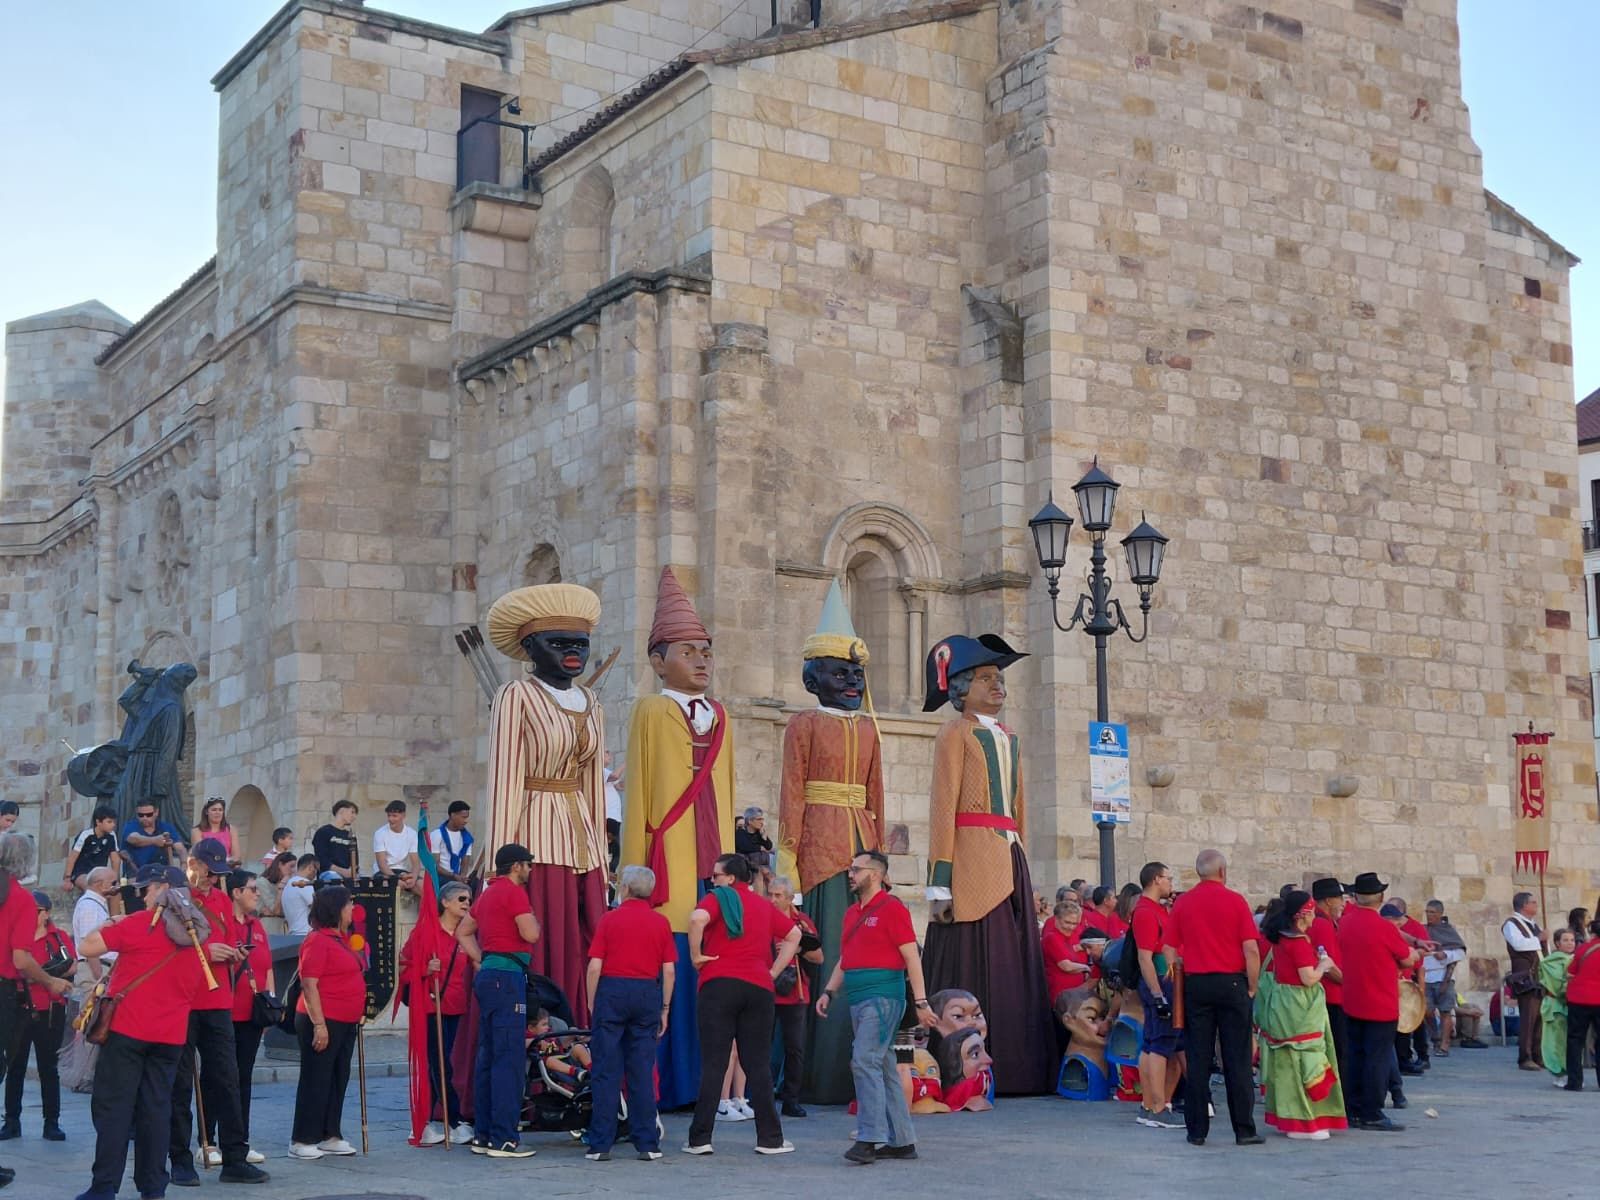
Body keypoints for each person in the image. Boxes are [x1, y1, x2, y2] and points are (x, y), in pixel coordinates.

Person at [621, 567, 737, 1108]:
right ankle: (665, 1086)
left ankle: (709, 1086)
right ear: (658, 660)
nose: (701, 661)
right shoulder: (650, 709)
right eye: (688, 651)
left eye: (706, 652)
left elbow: (728, 789)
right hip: (668, 854)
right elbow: (641, 794)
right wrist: (634, 871)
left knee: (711, 966)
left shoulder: (720, 716)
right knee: (668, 968)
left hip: (712, 853)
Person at [920, 634, 1052, 1095]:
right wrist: (940, 878)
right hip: (971, 850)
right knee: (980, 944)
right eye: (985, 678)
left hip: (1008, 849)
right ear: (960, 688)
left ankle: (1018, 1064)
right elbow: (943, 805)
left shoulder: (1009, 736)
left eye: (999, 679)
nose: (997, 686)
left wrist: (1023, 856)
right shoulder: (954, 733)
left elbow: (1019, 805)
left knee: (1015, 953)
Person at [776, 581, 886, 1105]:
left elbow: (877, 795)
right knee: (827, 954)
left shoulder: (870, 729)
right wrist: (789, 860)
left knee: (863, 953)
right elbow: (791, 792)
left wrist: (880, 857)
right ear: (811, 677)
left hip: (859, 843)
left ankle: (853, 1070)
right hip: (818, 852)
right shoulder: (801, 725)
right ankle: (812, 1074)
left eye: (856, 674)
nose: (850, 681)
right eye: (839, 673)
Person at [482, 583, 610, 1027]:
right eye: (559, 643)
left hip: (585, 844)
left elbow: (592, 780)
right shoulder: (515, 696)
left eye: (580, 643)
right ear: (529, 648)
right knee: (546, 946)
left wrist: (604, 859)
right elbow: (503, 780)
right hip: (536, 841)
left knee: (589, 945)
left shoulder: (592, 701)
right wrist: (501, 870)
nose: (573, 653)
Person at [73, 863, 208, 1200]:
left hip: (128, 1030)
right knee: (156, 1111)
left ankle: (104, 1187)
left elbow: (87, 947)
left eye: (145, 889)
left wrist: (111, 921)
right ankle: (152, 1186)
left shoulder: (140, 926)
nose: (141, 895)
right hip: (170, 1035)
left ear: (160, 891)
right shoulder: (197, 937)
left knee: (114, 1110)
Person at [815, 849, 934, 1164]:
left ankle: (870, 1137)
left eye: (856, 869)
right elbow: (846, 958)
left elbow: (912, 957)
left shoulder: (893, 909)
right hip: (857, 997)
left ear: (876, 874)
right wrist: (829, 990)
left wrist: (921, 1002)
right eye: (850, 869)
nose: (851, 874)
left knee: (865, 1060)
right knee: (884, 1065)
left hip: (884, 998)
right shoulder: (851, 913)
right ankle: (903, 1140)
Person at [684, 852, 801, 1156]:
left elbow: (697, 919)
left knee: (714, 1063)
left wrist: (696, 955)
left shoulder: (718, 898)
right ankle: (770, 1139)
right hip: (759, 988)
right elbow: (794, 934)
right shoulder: (763, 905)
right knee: (757, 1065)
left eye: (716, 875)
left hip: (719, 984)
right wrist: (773, 971)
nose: (712, 880)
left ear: (730, 879)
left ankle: (700, 1139)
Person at [169, 839, 266, 1184]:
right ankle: (180, 1158)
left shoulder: (223, 902)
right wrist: (211, 951)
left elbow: (225, 938)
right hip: (184, 1001)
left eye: (216, 873)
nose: (211, 878)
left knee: (227, 1079)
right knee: (180, 1084)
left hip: (218, 1001)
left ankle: (234, 1156)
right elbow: (169, 947)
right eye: (208, 871)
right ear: (192, 863)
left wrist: (234, 951)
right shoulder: (175, 899)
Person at [1163, 849, 1262, 1147]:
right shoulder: (1235, 901)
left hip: (1197, 985)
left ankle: (1196, 1130)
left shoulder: (1184, 903)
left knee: (1198, 1057)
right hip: (1232, 983)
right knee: (1237, 1059)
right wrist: (1252, 987)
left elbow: (1168, 947)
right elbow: (1251, 949)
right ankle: (1244, 1130)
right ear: (1222, 872)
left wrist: (1180, 966)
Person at [583, 864, 678, 1161]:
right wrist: (664, 1008)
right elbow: (669, 971)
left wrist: (591, 1001)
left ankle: (600, 1144)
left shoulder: (609, 920)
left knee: (606, 1071)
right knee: (641, 1070)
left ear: (624, 888)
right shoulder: (661, 922)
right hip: (647, 992)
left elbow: (595, 966)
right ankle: (647, 1143)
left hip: (612, 991)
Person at [1255, 890, 1346, 1140]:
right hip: (1299, 1005)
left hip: (1282, 1004)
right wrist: (1324, 966)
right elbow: (1308, 978)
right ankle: (1307, 1119)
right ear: (1303, 914)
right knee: (1308, 1056)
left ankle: (1290, 1117)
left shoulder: (1280, 938)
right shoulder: (1298, 941)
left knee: (1286, 1060)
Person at [470, 843, 541, 1159]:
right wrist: (534, 920)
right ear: (516, 866)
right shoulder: (513, 893)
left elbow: (463, 930)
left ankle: (484, 1135)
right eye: (528, 864)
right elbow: (531, 934)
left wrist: (483, 958)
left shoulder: (487, 894)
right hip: (508, 978)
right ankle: (504, 1139)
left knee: (487, 1056)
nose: (530, 870)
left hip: (488, 975)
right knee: (508, 1059)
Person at [399, 880, 478, 1147]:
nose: (467, 904)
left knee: (443, 1062)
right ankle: (452, 1119)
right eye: (461, 899)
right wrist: (424, 968)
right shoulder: (425, 933)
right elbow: (402, 966)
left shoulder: (466, 933)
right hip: (432, 1006)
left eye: (468, 900)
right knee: (440, 1062)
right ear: (445, 902)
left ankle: (435, 1119)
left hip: (456, 1006)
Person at [1337, 872, 1418, 1131]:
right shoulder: (1384, 927)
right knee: (1377, 1059)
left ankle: (1352, 1109)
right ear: (1381, 897)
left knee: (1354, 1055)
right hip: (1380, 1001)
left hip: (1352, 997)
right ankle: (1372, 1111)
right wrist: (1416, 953)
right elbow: (1406, 959)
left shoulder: (1346, 922)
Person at [288, 886, 363, 1161]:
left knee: (337, 1077)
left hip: (344, 1020)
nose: (352, 909)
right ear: (336, 909)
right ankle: (302, 1138)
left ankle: (330, 1133)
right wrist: (319, 1025)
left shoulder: (341, 939)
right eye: (348, 905)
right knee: (315, 1078)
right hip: (321, 1018)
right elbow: (309, 984)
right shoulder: (317, 940)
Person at [206, 870, 273, 1164]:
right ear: (235, 893)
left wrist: (269, 1003)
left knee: (242, 1079)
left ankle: (239, 1140)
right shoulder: (222, 925)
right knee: (214, 1077)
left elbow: (267, 967)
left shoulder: (257, 925)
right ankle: (207, 1140)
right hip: (224, 1012)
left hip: (251, 1014)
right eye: (252, 889)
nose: (257, 894)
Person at [0, 891, 74, 1142]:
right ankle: (12, 1121)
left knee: (48, 1067)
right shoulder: (17, 935)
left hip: (50, 1010)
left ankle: (51, 1122)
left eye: (35, 910)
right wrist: (47, 977)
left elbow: (72, 965)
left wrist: (38, 976)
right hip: (20, 1007)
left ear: (46, 913)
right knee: (15, 1066)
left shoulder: (58, 937)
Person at [1131, 861, 1182, 1129]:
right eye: (1168, 878)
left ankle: (1150, 1104)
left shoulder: (1152, 910)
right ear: (1155, 879)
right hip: (1160, 983)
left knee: (1153, 1043)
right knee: (1158, 1044)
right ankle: (1157, 1107)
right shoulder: (1146, 912)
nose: (1170, 883)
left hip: (1162, 981)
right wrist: (1157, 993)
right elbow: (1146, 956)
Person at [767, 875, 822, 1118]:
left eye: (778, 895)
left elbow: (819, 957)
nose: (772, 899)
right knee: (759, 1047)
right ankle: (761, 1098)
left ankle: (791, 1100)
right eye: (770, 894)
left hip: (795, 992)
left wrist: (797, 948)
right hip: (765, 990)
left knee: (795, 1049)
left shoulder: (802, 923)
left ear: (790, 898)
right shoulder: (761, 917)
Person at [1307, 878, 1349, 1115]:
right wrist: (1348, 982)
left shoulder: (1325, 922)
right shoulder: (1322, 925)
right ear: (1328, 900)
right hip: (1332, 997)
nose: (1342, 903)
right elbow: (1328, 963)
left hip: (1328, 996)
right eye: (1339, 899)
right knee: (1337, 1052)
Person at [1503, 890, 1546, 1072]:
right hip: (1525, 977)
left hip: (1538, 976)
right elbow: (1518, 944)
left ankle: (1537, 1054)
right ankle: (1525, 1056)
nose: (1536, 906)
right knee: (1528, 1018)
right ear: (1524, 905)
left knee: (1539, 1019)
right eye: (1533, 903)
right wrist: (1539, 939)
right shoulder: (1511, 924)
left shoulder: (1532, 924)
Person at [1421, 899, 1465, 1056]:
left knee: (1446, 1011)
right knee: (1426, 1011)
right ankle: (1435, 1039)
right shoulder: (1422, 930)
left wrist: (1445, 954)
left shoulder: (1448, 931)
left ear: (1440, 913)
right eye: (1427, 912)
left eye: (1432, 912)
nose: (1429, 915)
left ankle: (1445, 1044)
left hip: (1443, 977)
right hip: (1425, 977)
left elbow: (1461, 953)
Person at [1562, 927, 1600, 1091]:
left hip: (1579, 998)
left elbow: (1571, 971)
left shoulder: (1583, 948)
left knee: (1575, 1040)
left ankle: (1575, 1082)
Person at [72, 867, 120, 986]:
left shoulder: (95, 904)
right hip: (96, 970)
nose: (117, 886)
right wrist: (99, 976)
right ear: (100, 884)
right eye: (113, 883)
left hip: (102, 967)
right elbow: (89, 943)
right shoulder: (89, 906)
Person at [1540, 927, 1575, 1081]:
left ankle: (1570, 1071)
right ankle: (1559, 1073)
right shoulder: (1551, 962)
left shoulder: (1575, 959)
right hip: (1556, 1005)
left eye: (1572, 940)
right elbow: (1557, 985)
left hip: (1572, 1005)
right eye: (1565, 940)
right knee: (1555, 1041)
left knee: (1570, 1041)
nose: (1570, 943)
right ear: (1557, 943)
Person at [1042, 898, 1093, 1003]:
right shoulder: (1052, 937)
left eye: (1075, 923)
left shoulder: (1070, 937)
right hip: (1062, 996)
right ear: (1056, 919)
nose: (1071, 927)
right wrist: (1086, 968)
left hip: (1075, 993)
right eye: (1067, 922)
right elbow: (1066, 966)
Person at [120, 803, 186, 877]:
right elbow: (133, 838)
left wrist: (183, 864)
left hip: (161, 874)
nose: (144, 818)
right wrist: (155, 840)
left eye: (149, 814)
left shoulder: (166, 827)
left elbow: (180, 848)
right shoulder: (130, 826)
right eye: (140, 815)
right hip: (135, 875)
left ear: (156, 812)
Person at [64, 806, 121, 891]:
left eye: (114, 822)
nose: (113, 825)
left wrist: (115, 880)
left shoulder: (112, 836)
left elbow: (115, 859)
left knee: (114, 891)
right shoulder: (86, 835)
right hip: (81, 872)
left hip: (99, 873)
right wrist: (67, 878)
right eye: (109, 822)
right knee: (91, 886)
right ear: (98, 822)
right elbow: (72, 857)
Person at [372, 800, 422, 893]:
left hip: (402, 871)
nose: (391, 819)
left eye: (394, 816)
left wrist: (414, 878)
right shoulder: (380, 833)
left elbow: (416, 863)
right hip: (384, 873)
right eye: (389, 816)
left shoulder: (412, 833)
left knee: (423, 887)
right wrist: (395, 879)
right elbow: (382, 865)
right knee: (395, 885)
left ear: (403, 816)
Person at [311, 800, 360, 882]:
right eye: (352, 812)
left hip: (349, 874)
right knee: (337, 882)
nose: (354, 816)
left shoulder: (351, 836)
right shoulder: (323, 832)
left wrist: (352, 871)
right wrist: (343, 872)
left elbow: (355, 861)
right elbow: (321, 859)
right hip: (328, 873)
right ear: (341, 811)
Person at [429, 802, 475, 883]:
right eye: (463, 817)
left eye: (467, 818)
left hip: (457, 878)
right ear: (453, 815)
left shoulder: (467, 838)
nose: (466, 821)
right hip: (441, 877)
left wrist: (462, 878)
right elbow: (434, 865)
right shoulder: (437, 835)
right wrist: (453, 876)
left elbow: (465, 863)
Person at [191, 798, 239, 868]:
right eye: (214, 810)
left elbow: (236, 856)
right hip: (207, 869)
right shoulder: (197, 831)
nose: (217, 813)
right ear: (206, 812)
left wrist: (227, 864)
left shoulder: (231, 829)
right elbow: (200, 855)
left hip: (229, 867)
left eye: (220, 810)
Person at [281, 854, 319, 935]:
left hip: (294, 933)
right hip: (305, 933)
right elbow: (317, 909)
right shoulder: (304, 884)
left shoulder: (289, 884)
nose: (316, 874)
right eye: (316, 869)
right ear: (311, 867)